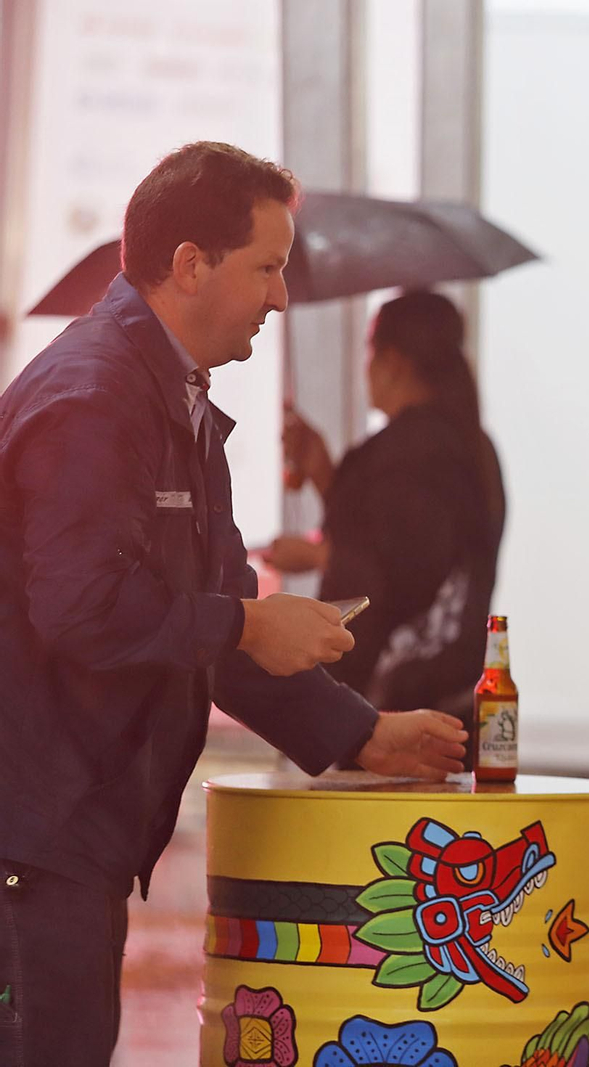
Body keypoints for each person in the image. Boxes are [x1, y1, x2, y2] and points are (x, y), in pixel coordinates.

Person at [0, 142, 467, 1065]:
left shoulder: (181, 403)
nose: (281, 298)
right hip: (30, 837)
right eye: (268, 267)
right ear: (189, 265)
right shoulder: (94, 397)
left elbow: (210, 623)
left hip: (76, 838)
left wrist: (364, 734)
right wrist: (248, 621)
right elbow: (82, 607)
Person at [264, 290, 506, 718]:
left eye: (369, 351)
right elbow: (393, 532)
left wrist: (318, 553)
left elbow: (400, 563)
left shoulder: (403, 453)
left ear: (392, 362)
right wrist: (322, 470)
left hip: (390, 707)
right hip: (457, 696)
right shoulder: (472, 447)